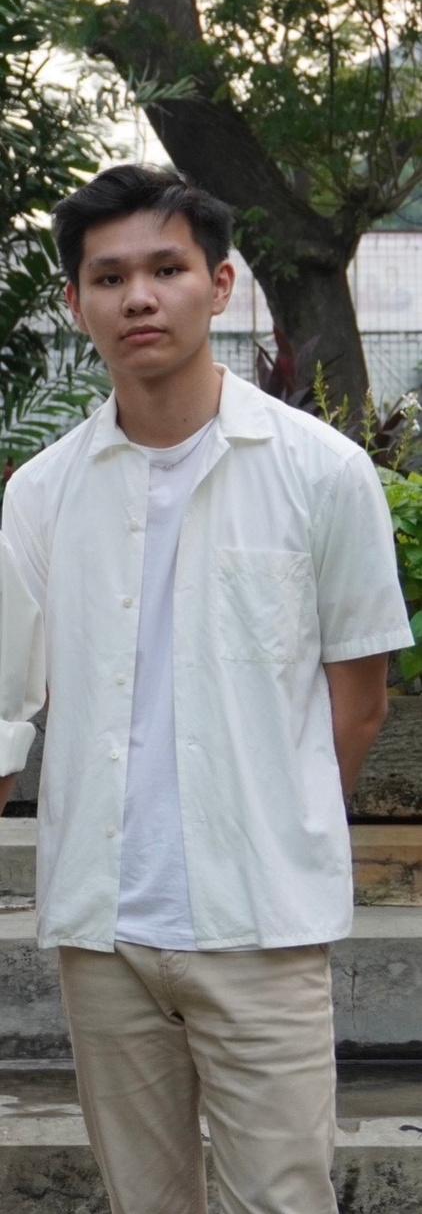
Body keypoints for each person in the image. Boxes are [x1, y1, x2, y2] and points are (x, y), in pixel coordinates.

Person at [0, 163, 413, 1214]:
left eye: (166, 269)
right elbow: (6, 710)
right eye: (109, 278)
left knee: (281, 1198)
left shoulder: (321, 472)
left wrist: (277, 820)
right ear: (76, 302)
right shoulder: (42, 494)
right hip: (104, 930)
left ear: (219, 284)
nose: (138, 297)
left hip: (260, 924)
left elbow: (359, 694)